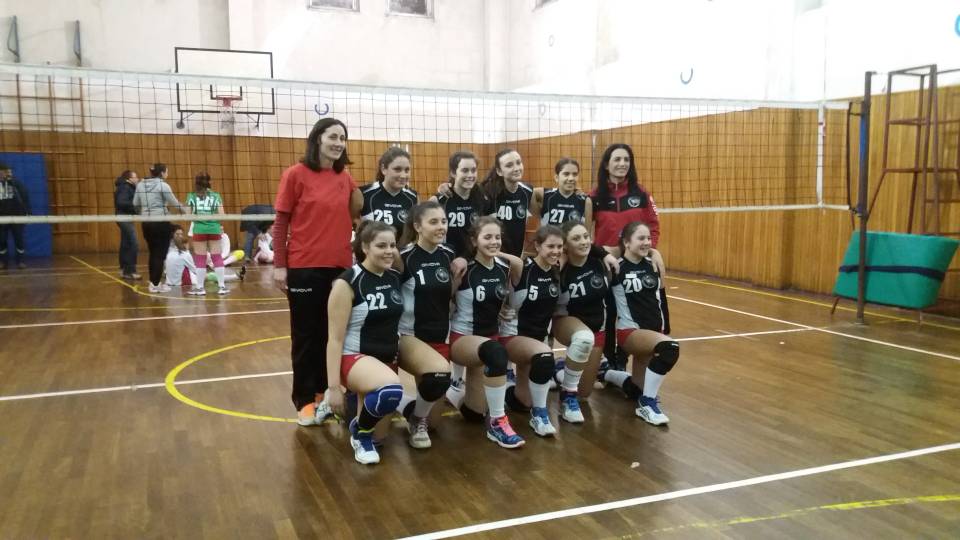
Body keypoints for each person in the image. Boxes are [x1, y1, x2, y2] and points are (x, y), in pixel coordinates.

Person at [272, 117, 363, 427]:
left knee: (333, 334)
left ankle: (326, 394)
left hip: (340, 268)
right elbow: (281, 223)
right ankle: (304, 400)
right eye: (332, 136)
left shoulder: (344, 178)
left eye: (342, 138)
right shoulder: (295, 174)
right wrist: (280, 265)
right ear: (317, 139)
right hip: (305, 266)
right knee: (306, 336)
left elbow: (360, 207)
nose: (338, 143)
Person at [325, 221, 405, 465]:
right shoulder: (347, 282)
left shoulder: (393, 276)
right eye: (381, 246)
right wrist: (333, 387)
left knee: (382, 436)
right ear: (365, 248)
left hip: (385, 359)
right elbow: (334, 339)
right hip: (354, 357)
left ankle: (360, 420)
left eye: (392, 245)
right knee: (391, 390)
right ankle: (360, 435)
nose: (389, 251)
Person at [449, 216, 525, 449]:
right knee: (497, 352)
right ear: (474, 240)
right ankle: (498, 422)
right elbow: (446, 304)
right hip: (463, 338)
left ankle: (453, 394)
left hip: (489, 339)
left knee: (474, 413)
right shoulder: (464, 269)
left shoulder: (504, 268)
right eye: (487, 237)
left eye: (497, 237)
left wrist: (504, 310)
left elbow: (518, 266)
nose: (494, 241)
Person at [591, 144, 663, 368]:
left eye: (626, 160)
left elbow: (653, 226)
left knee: (632, 312)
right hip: (606, 264)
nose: (622, 164)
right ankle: (610, 362)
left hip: (634, 264)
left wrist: (648, 250)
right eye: (617, 159)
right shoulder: (595, 196)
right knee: (608, 313)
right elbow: (583, 229)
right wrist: (601, 252)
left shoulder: (641, 194)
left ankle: (625, 360)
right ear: (607, 164)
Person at [602, 221, 679, 426]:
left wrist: (664, 329)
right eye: (641, 238)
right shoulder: (616, 268)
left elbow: (661, 300)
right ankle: (647, 403)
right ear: (626, 242)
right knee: (670, 348)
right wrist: (610, 349)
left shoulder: (653, 265)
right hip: (630, 332)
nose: (647, 242)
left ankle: (607, 374)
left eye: (648, 238)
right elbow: (609, 309)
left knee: (637, 389)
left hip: (653, 332)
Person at [395, 201, 455, 448]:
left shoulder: (449, 255)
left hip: (440, 335)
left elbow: (453, 294)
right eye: (434, 222)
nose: (441, 226)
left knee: (435, 424)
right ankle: (414, 416)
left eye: (443, 221)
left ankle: (407, 406)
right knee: (438, 376)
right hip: (410, 335)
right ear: (417, 226)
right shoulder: (403, 258)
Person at [498, 225, 564, 436]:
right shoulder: (522, 267)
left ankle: (504, 390)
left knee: (523, 402)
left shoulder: (557, 269)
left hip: (538, 339)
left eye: (559, 246)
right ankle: (540, 414)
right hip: (514, 336)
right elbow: (491, 252)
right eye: (550, 246)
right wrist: (500, 306)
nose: (556, 251)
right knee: (545, 358)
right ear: (537, 246)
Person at [551, 221, 615, 421]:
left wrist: (654, 253)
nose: (584, 241)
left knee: (584, 394)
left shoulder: (599, 261)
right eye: (576, 238)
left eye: (586, 236)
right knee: (583, 338)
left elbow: (627, 246)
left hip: (597, 327)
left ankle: (560, 370)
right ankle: (566, 397)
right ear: (565, 245)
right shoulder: (560, 267)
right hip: (566, 321)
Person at [133, 163, 184, 293]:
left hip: (146, 223)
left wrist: (144, 214)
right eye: (167, 171)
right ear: (162, 173)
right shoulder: (163, 185)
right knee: (160, 255)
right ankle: (155, 284)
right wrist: (187, 211)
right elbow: (175, 203)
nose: (167, 174)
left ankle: (153, 282)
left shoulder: (140, 185)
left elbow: (135, 204)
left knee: (153, 253)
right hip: (161, 223)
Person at [431, 151, 489, 258]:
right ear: (453, 173)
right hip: (448, 259)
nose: (470, 175)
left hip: (476, 259)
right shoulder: (439, 201)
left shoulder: (482, 197)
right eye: (465, 170)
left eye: (473, 170)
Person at [480, 149, 532, 257]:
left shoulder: (528, 191)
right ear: (499, 171)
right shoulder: (488, 192)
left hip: (517, 255)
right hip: (493, 255)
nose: (516, 168)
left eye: (518, 162)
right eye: (509, 165)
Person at [185, 172, 228, 296]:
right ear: (209, 182)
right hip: (214, 229)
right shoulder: (216, 196)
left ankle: (200, 288)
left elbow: (187, 216)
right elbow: (222, 215)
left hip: (199, 230)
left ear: (196, 183)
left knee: (200, 258)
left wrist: (200, 218)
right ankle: (222, 287)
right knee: (217, 257)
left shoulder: (191, 196)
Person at [360, 147, 418, 236]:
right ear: (384, 169)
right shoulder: (365, 194)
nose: (403, 175)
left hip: (402, 245)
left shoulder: (412, 197)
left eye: (407, 170)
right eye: (397, 169)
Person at [532, 158, 592, 231]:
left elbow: (587, 232)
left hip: (572, 238)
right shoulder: (547, 196)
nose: (571, 178)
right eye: (566, 174)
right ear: (556, 178)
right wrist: (539, 215)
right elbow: (531, 191)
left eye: (575, 174)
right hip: (551, 238)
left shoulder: (585, 200)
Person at [0, 162, 30, 270]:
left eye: (9, 171)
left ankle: (20, 261)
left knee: (19, 239)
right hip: (1, 218)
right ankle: (3, 262)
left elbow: (25, 196)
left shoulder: (16, 183)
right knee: (1, 240)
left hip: (17, 216)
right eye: (5, 171)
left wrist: (28, 212)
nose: (8, 173)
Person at [114, 170, 141, 280]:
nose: (137, 179)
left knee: (125, 243)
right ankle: (131, 271)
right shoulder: (125, 187)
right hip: (123, 218)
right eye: (135, 177)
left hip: (125, 217)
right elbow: (121, 202)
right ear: (129, 179)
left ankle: (123, 269)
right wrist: (136, 205)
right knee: (133, 243)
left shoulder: (126, 187)